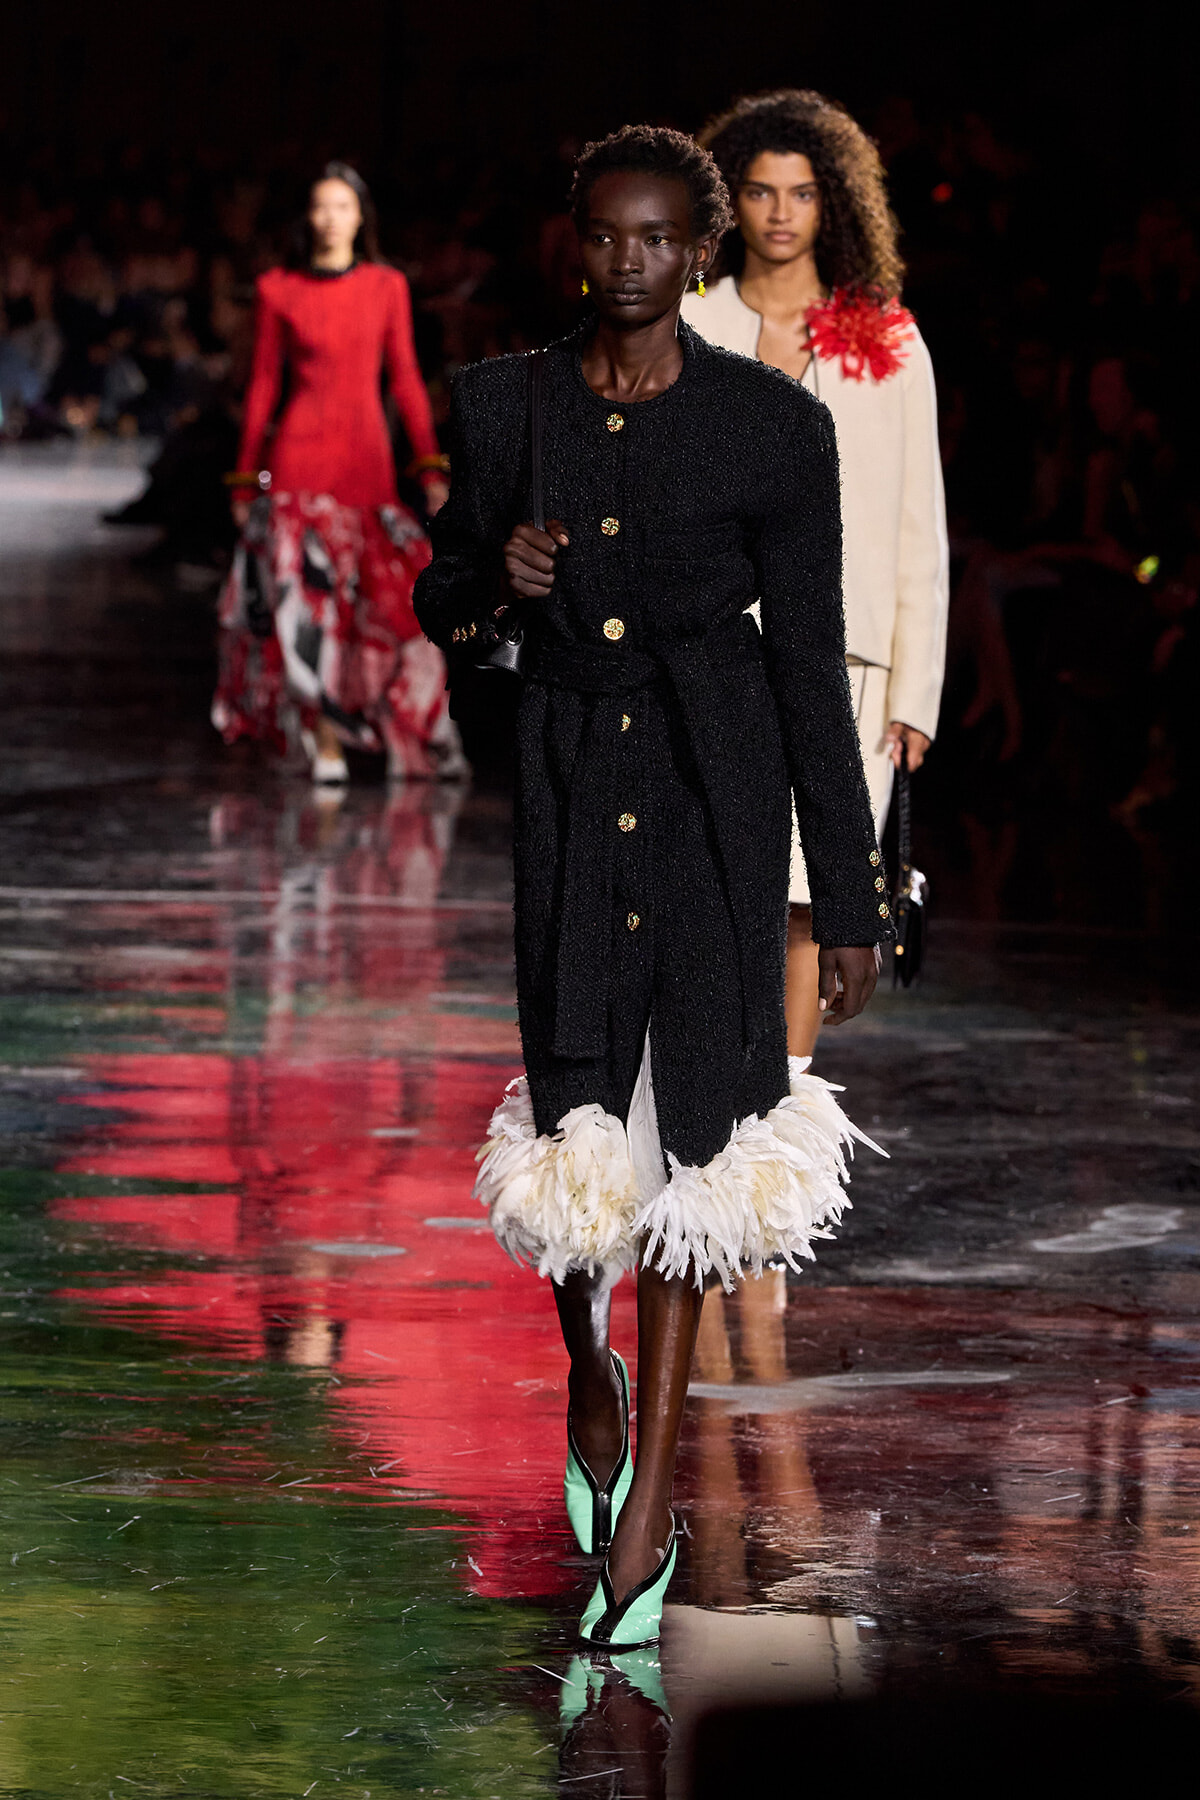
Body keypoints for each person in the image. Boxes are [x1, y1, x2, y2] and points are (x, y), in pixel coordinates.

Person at [415, 125, 891, 1648]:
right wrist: (500, 577)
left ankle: (657, 1498)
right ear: (578, 243)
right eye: (604, 236)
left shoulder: (770, 427)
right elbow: (437, 593)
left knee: (690, 1116)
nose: (629, 261)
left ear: (696, 251)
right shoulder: (506, 403)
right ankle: (588, 1364)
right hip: (565, 784)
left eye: (656, 239)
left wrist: (859, 890)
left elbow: (811, 666)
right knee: (574, 1100)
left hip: (714, 786)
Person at [682, 90, 948, 1056]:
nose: (781, 212)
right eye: (759, 191)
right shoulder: (686, 323)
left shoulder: (890, 342)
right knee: (716, 892)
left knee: (809, 898)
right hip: (710, 655)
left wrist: (917, 690)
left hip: (851, 666)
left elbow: (922, 522)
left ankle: (775, 1141)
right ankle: (706, 1119)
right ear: (730, 205)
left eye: (801, 192)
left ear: (831, 203)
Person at [213, 162, 464, 784]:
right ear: (308, 217)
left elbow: (405, 379)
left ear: (360, 217)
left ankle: (374, 723)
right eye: (319, 207)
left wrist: (430, 467)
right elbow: (264, 386)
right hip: (298, 459)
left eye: (341, 207)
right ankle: (320, 731)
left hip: (366, 462)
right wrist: (246, 479)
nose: (329, 218)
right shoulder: (278, 289)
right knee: (305, 606)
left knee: (373, 606)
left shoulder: (386, 286)